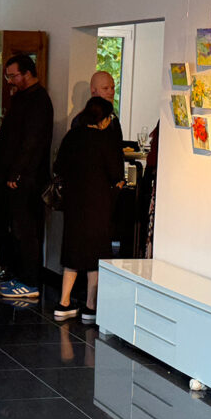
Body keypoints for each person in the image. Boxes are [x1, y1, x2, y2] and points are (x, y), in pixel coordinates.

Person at [52, 96, 124, 323]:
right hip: (98, 204)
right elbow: (116, 174)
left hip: (74, 202)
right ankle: (90, 307)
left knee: (72, 251)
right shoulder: (106, 140)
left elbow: (58, 166)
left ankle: (64, 303)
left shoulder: (72, 136)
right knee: (96, 254)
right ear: (103, 119)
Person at [0, 54, 54, 300]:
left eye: (13, 76)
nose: (9, 81)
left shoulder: (40, 101)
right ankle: (12, 268)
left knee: (24, 230)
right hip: (7, 175)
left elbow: (32, 142)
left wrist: (17, 173)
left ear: (28, 73)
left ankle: (29, 280)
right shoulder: (19, 97)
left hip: (25, 178)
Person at [71, 70, 122, 141]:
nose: (111, 92)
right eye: (105, 88)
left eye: (112, 88)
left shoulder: (113, 118)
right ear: (93, 91)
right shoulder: (81, 121)